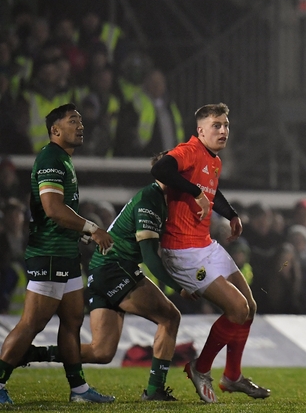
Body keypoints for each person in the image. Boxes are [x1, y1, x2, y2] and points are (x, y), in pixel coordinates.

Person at [19, 151, 185, 401]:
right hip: (115, 267)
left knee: (101, 352)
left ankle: (33, 355)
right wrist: (178, 286)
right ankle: (154, 390)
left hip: (102, 269)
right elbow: (150, 257)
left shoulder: (161, 199)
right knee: (170, 317)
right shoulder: (150, 200)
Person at [150, 103, 269, 403]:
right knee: (237, 309)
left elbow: (211, 191)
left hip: (204, 244)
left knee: (250, 307)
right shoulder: (189, 151)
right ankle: (199, 369)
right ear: (200, 130)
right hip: (183, 251)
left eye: (226, 125)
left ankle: (233, 376)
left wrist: (231, 214)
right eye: (216, 125)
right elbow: (160, 168)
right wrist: (194, 193)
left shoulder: (213, 160)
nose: (223, 130)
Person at [0, 104, 115, 404]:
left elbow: (58, 211)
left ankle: (78, 390)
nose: (80, 125)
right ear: (55, 130)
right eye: (72, 121)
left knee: (73, 319)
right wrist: (91, 228)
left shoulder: (63, 159)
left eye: (81, 120)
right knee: (32, 324)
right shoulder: (51, 157)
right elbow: (52, 209)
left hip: (65, 254)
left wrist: (77, 232)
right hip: (49, 254)